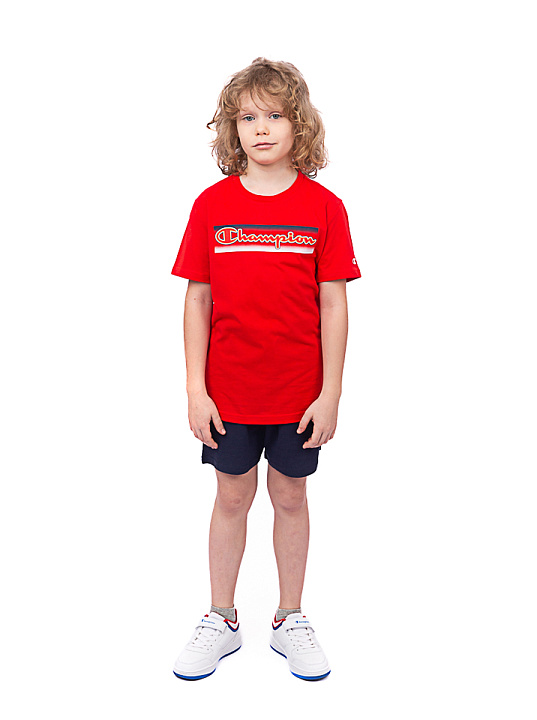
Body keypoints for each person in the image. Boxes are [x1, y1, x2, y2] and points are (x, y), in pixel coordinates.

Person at [170, 57, 361, 681]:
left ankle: (290, 617)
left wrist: (331, 394)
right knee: (231, 496)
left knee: (291, 495)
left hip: (298, 394)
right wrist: (195, 390)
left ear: (298, 123)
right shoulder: (212, 206)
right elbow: (197, 299)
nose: (261, 128)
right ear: (232, 128)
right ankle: (221, 617)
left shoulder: (324, 208)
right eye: (248, 117)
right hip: (228, 392)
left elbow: (333, 304)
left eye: (275, 115)